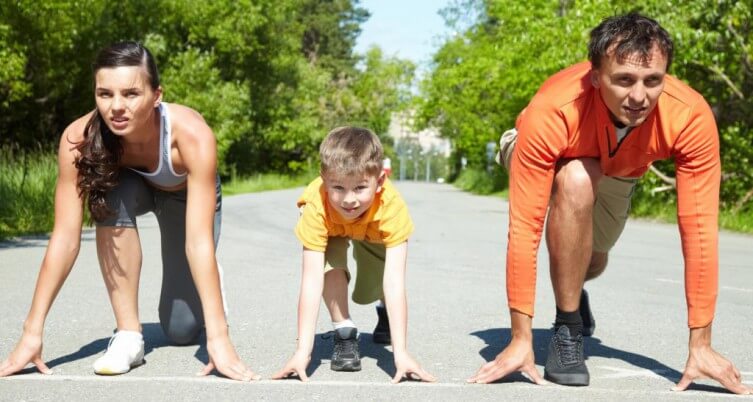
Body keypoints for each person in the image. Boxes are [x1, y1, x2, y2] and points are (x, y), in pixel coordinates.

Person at [468, 12, 750, 394]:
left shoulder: (689, 115)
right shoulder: (554, 107)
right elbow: (524, 228)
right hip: (547, 149)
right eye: (624, 80)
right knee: (576, 178)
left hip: (623, 167)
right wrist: (521, 338)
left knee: (591, 259)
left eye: (653, 81)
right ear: (597, 76)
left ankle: (574, 288)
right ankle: (568, 330)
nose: (639, 97)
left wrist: (701, 343)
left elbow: (700, 232)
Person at [0, 42, 258, 381]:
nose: (116, 107)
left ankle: (205, 289)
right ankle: (128, 335)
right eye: (104, 94)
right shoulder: (77, 140)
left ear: (156, 95)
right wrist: (31, 332)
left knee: (180, 331)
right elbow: (64, 239)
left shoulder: (192, 136)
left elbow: (197, 243)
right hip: (127, 191)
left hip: (183, 199)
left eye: (131, 93)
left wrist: (219, 338)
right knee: (106, 192)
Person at [271, 127, 435, 383]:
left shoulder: (392, 207)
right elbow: (312, 280)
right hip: (332, 229)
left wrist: (400, 353)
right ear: (324, 179)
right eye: (337, 187)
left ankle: (384, 313)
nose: (348, 199)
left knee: (379, 276)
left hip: (374, 232)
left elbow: (394, 281)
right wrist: (302, 352)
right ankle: (344, 329)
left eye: (360, 188)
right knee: (328, 264)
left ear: (379, 181)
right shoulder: (318, 204)